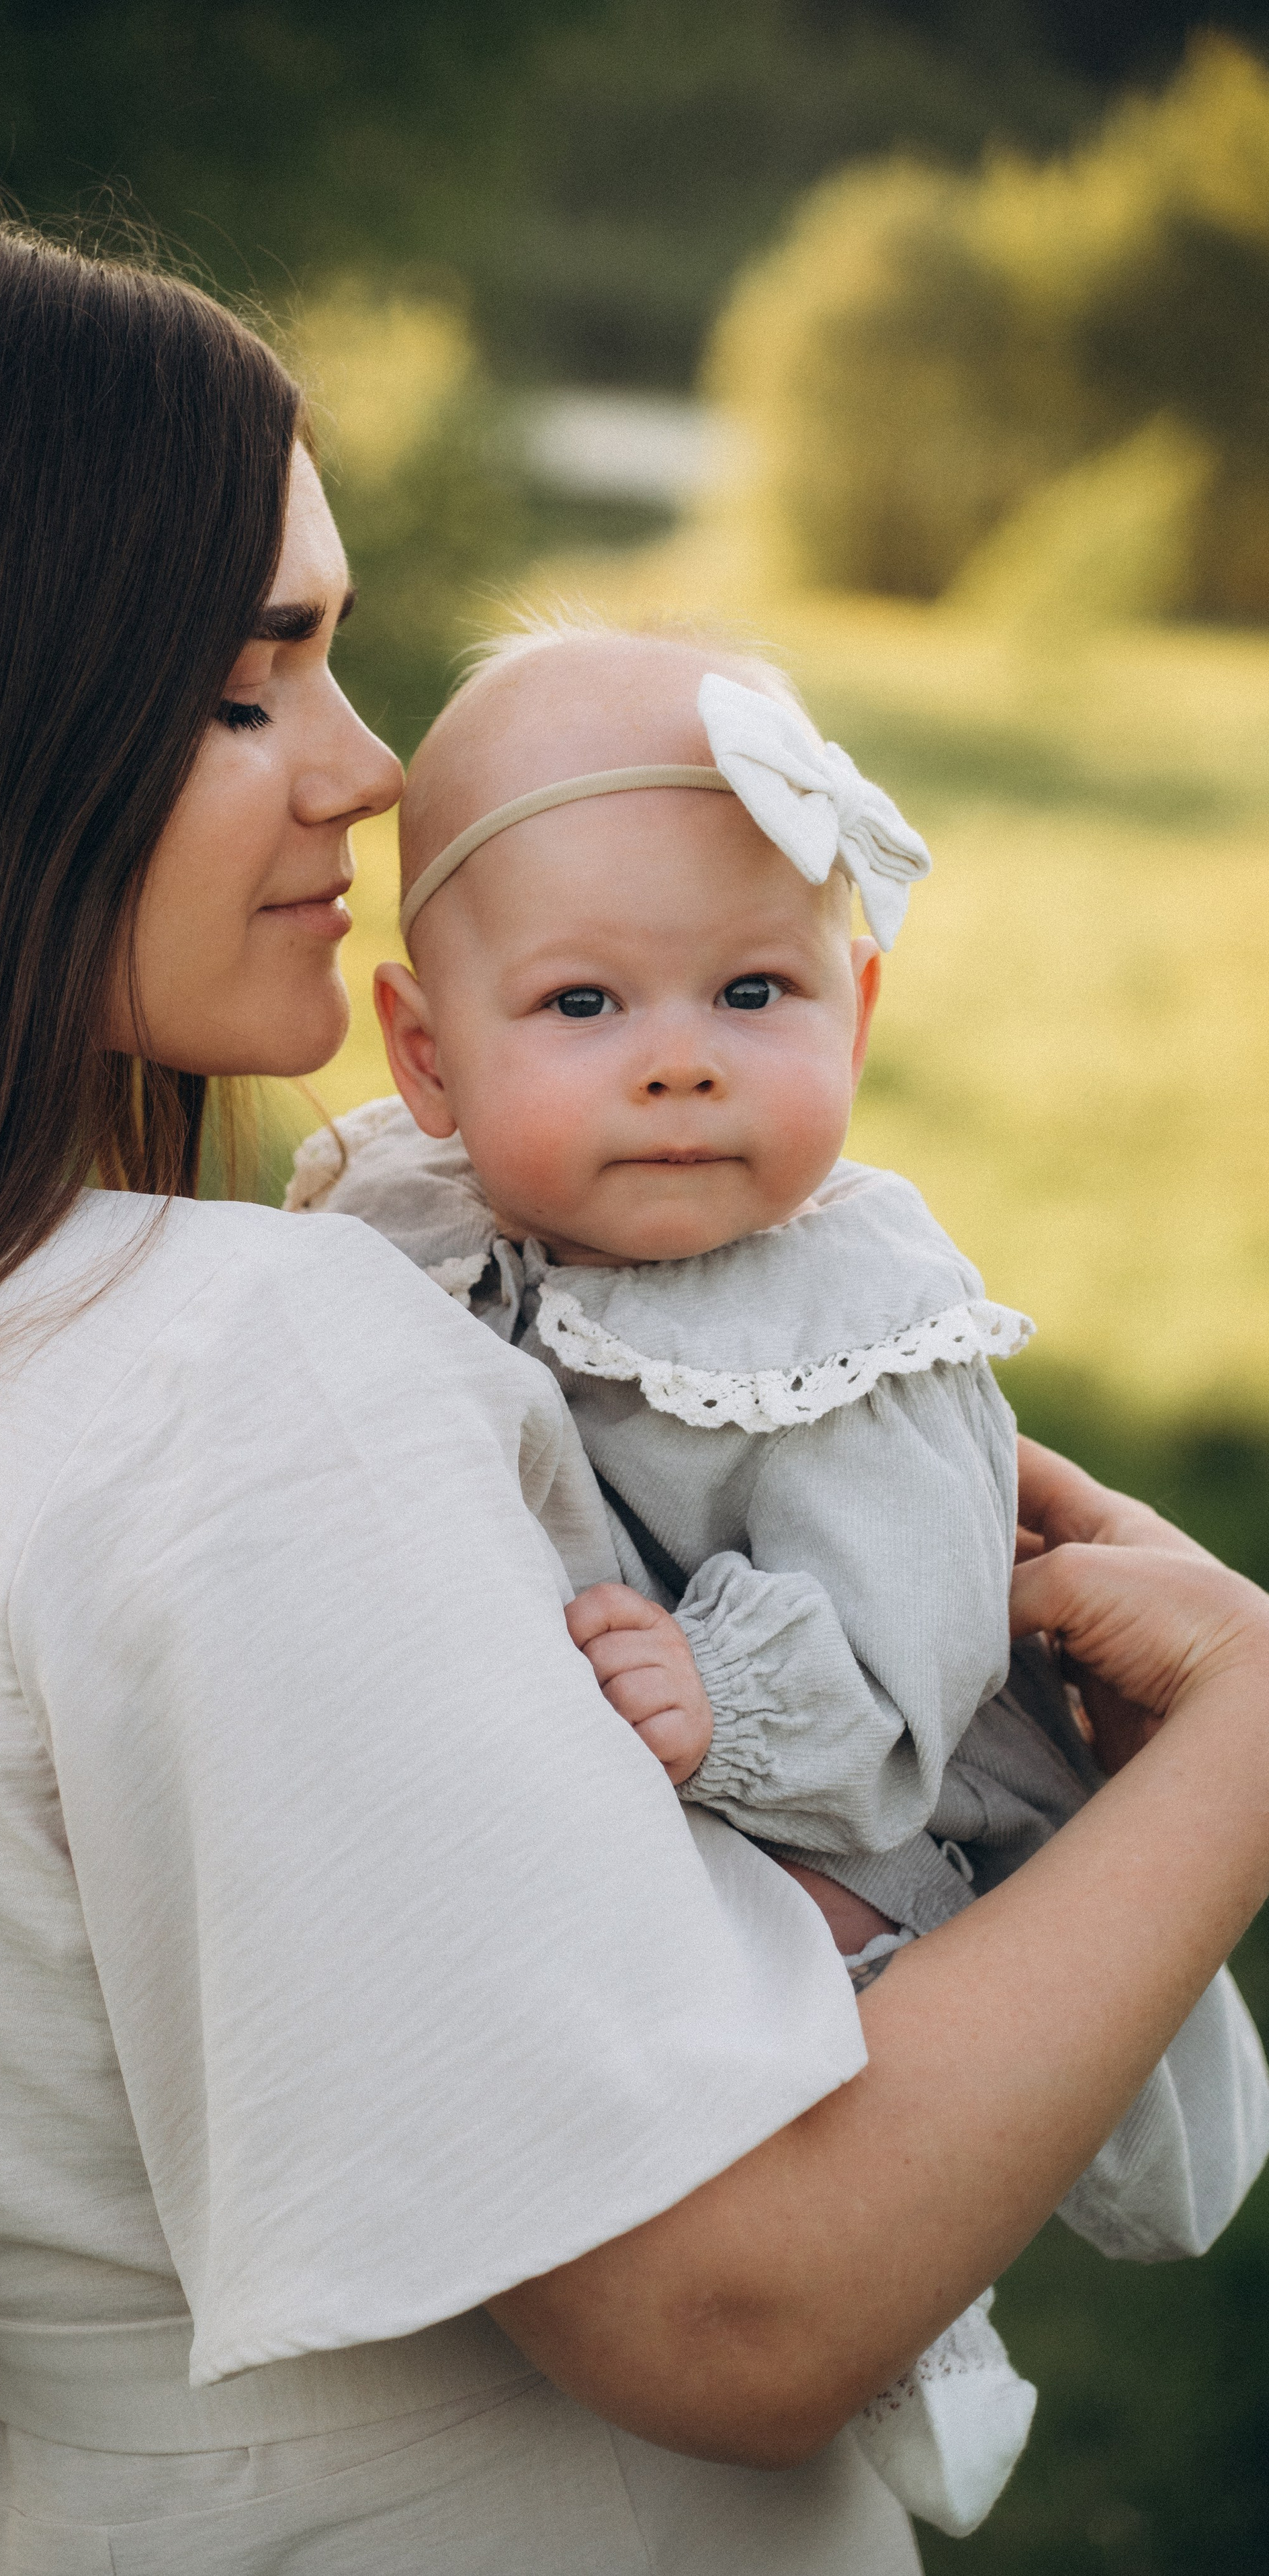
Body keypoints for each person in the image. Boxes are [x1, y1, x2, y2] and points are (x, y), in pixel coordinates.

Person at [0, 217, 1267, 2576]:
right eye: (256, 687)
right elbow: (740, 2299)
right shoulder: (233, 1366)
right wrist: (1251, 1726)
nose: (364, 775)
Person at [287, 616, 1269, 2533]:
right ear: (424, 1050)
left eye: (753, 991)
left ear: (860, 1010)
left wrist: (730, 1700)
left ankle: (915, 2316)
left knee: (815, 1977)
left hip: (837, 1792)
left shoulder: (860, 1322)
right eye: (583, 1008)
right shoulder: (390, 1214)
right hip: (579, 1790)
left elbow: (910, 1647)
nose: (678, 1068)